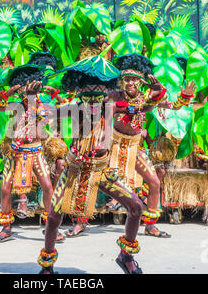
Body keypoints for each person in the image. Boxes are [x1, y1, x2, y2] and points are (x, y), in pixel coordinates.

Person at [38, 57, 145, 274]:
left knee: (136, 207)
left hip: (103, 171)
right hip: (75, 171)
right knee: (53, 217)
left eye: (98, 99)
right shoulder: (73, 110)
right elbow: (43, 111)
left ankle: (126, 257)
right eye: (89, 99)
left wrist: (159, 91)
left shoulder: (113, 108)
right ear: (80, 98)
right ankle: (47, 267)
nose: (94, 105)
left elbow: (145, 106)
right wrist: (35, 96)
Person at [104, 53, 196, 238]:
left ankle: (150, 224)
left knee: (154, 182)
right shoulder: (114, 96)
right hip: (113, 147)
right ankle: (79, 222)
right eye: (127, 79)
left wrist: (184, 97)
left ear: (141, 82)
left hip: (135, 148)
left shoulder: (148, 98)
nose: (130, 83)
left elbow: (175, 106)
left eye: (134, 80)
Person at [0, 64, 59, 243]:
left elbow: (54, 112)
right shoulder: (14, 105)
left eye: (31, 89)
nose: (27, 93)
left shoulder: (42, 106)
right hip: (15, 154)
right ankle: (6, 228)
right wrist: (6, 94)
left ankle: (51, 228)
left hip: (36, 153)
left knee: (48, 187)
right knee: (5, 189)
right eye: (25, 89)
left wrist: (50, 96)